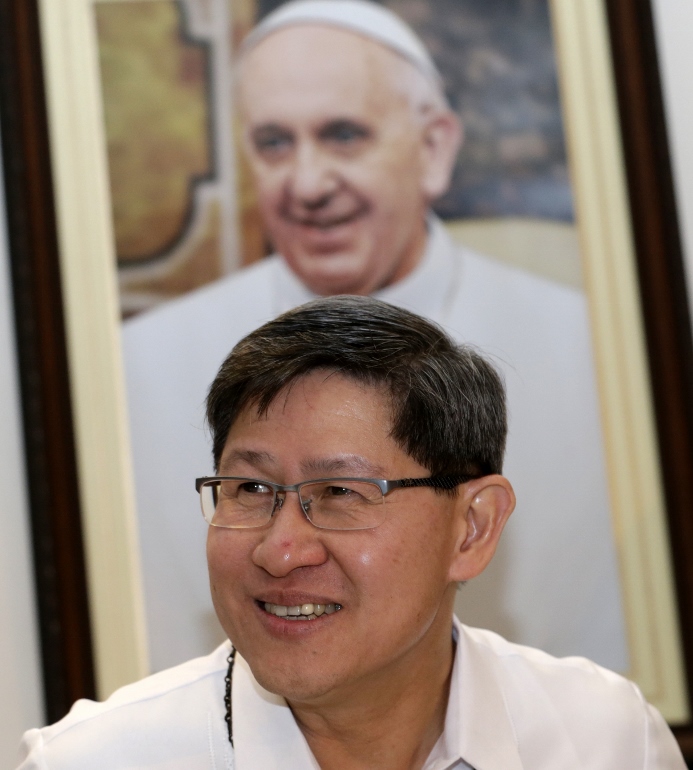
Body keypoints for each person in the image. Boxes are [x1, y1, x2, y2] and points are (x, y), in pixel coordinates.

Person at [123, 0, 626, 674]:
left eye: (343, 135)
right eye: (274, 142)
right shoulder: (140, 365)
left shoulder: (596, 355)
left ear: (434, 146)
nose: (307, 183)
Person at [18, 297, 685, 769]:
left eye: (338, 492)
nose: (279, 551)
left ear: (471, 528)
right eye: (250, 489)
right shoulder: (91, 761)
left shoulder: (603, 740)